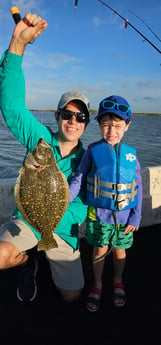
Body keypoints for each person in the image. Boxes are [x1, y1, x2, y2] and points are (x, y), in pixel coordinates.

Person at [0, 13, 90, 303]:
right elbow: (12, 106)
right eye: (67, 114)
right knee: (1, 256)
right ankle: (27, 263)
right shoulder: (40, 140)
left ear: (86, 123)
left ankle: (43, 254)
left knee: (72, 296)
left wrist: (53, 215)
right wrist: (17, 45)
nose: (73, 121)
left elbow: (82, 208)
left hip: (60, 231)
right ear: (57, 116)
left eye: (81, 116)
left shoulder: (90, 161)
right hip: (27, 221)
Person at [70, 95, 142, 311]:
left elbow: (137, 186)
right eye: (106, 125)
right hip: (99, 216)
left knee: (120, 251)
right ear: (99, 125)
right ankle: (98, 283)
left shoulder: (131, 156)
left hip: (124, 218)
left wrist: (136, 215)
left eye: (118, 126)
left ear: (127, 126)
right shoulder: (93, 151)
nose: (111, 131)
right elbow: (80, 178)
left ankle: (118, 280)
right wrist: (66, 198)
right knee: (99, 250)